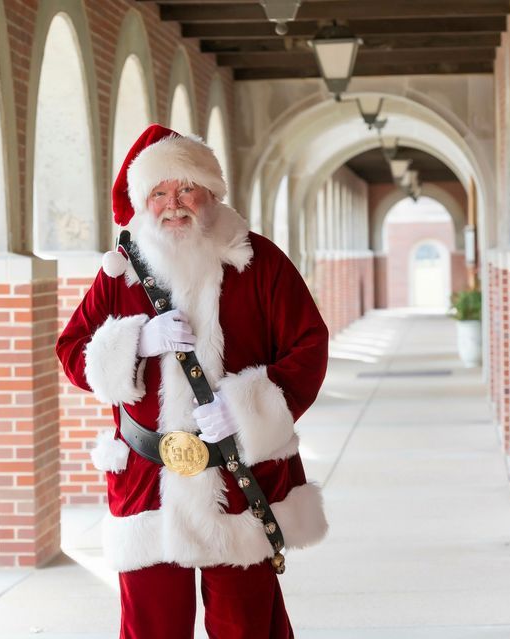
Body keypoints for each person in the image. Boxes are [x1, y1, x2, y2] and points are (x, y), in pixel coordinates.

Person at [56, 124, 329, 639]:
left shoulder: (259, 259)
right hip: (147, 481)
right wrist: (136, 342)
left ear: (210, 192)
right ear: (143, 201)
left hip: (237, 474)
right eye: (159, 192)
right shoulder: (120, 273)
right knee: (151, 628)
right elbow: (72, 351)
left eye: (186, 188)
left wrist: (250, 407)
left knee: (245, 626)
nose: (173, 203)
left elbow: (309, 344)